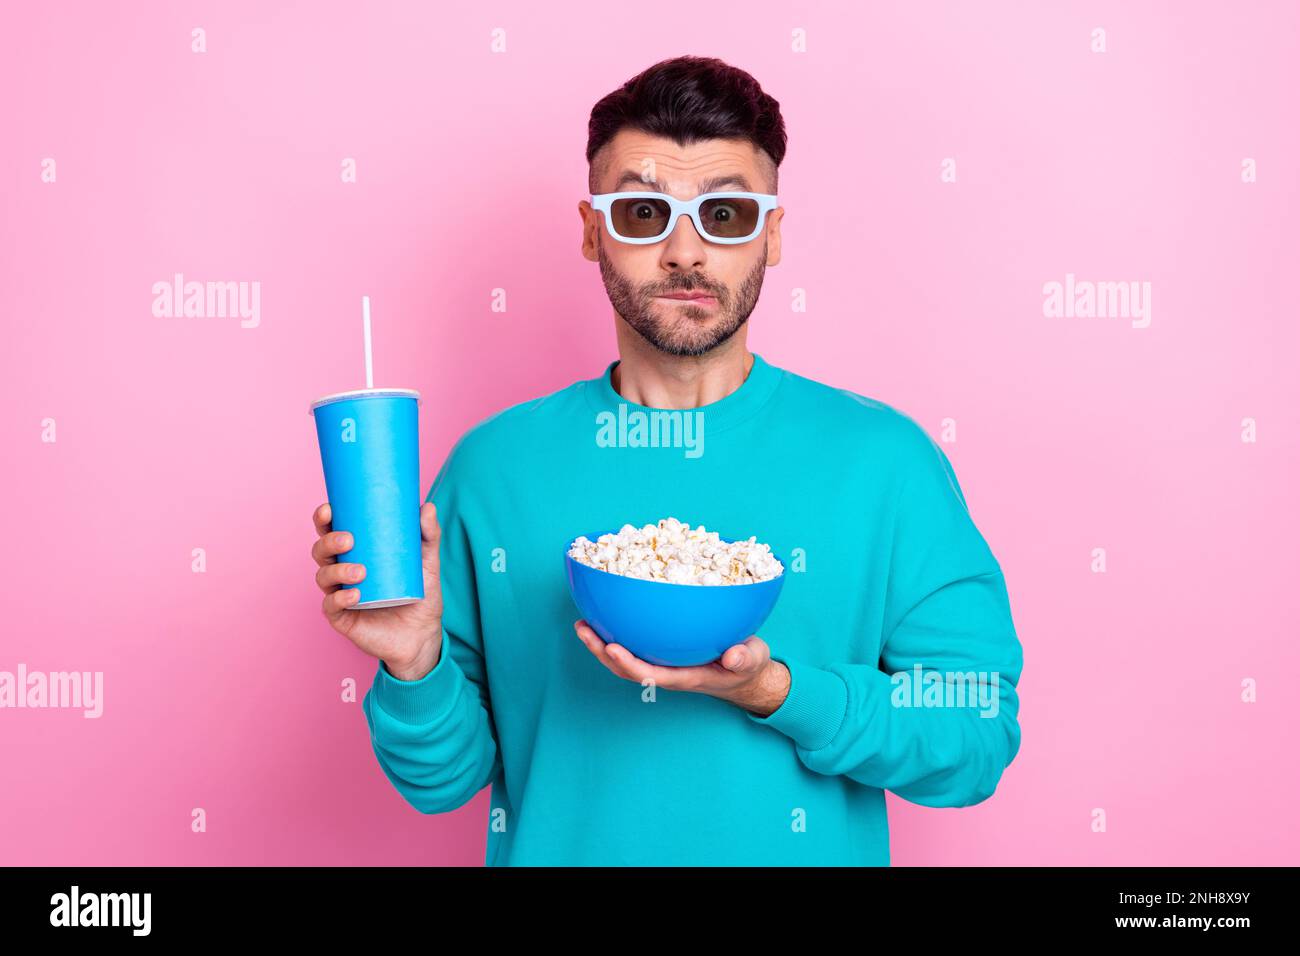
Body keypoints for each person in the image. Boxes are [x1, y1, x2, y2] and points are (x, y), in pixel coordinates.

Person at [310, 55, 1023, 866]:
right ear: (591, 230)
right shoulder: (492, 467)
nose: (686, 253)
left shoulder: (886, 463)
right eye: (644, 213)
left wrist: (777, 692)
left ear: (773, 235)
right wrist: (414, 661)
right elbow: (442, 781)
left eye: (725, 215)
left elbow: (974, 737)